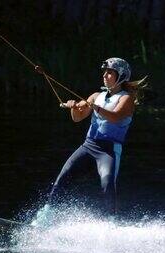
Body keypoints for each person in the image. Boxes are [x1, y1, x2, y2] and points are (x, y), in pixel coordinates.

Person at [33, 58, 146, 226]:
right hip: (88, 146)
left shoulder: (126, 99)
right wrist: (73, 107)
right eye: (104, 72)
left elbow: (114, 117)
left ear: (121, 76)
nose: (105, 76)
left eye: (110, 73)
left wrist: (94, 107)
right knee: (62, 179)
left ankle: (111, 224)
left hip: (108, 150)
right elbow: (77, 118)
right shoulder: (96, 96)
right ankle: (44, 218)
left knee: (107, 183)